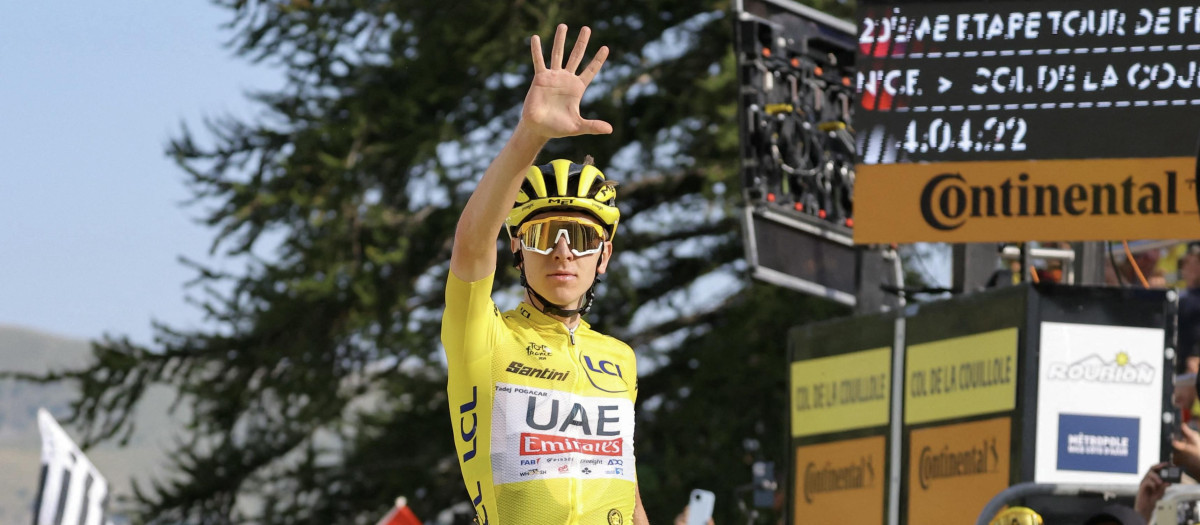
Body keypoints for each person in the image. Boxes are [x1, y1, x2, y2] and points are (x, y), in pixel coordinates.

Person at [441, 23, 648, 525]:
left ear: (604, 256)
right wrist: (530, 134)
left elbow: (625, 487)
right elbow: (470, 247)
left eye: (579, 239)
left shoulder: (620, 359)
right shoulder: (483, 338)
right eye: (542, 236)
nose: (561, 253)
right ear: (516, 248)